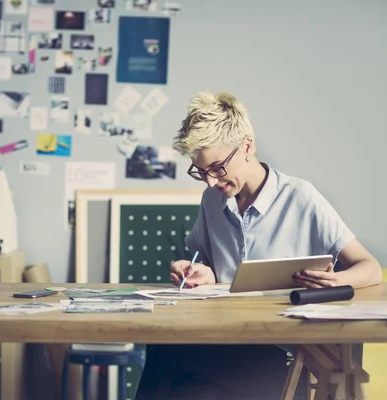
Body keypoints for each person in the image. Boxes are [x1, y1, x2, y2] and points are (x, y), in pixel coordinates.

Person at [135, 92, 381, 400]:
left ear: (247, 147)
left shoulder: (300, 197)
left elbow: (370, 268)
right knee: (186, 383)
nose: (210, 181)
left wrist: (337, 279)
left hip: (284, 352)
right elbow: (211, 270)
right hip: (224, 342)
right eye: (200, 171)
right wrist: (201, 273)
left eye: (217, 168)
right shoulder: (213, 199)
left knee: (168, 355)